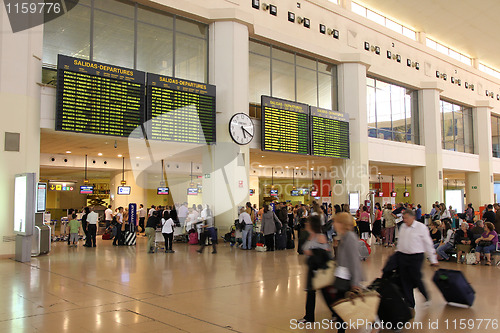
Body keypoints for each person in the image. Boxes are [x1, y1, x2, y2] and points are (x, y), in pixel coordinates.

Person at [396, 209, 438, 311]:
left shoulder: (421, 227)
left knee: (416, 277)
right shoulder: (402, 227)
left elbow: (428, 243)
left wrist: (433, 259)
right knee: (405, 279)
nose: (404, 220)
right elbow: (400, 242)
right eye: (403, 218)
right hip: (403, 256)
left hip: (416, 256)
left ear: (413, 217)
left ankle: (425, 294)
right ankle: (410, 303)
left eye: (406, 218)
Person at [297, 215, 334, 324]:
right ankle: (309, 317)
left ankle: (334, 313)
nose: (306, 224)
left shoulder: (320, 237)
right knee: (313, 293)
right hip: (313, 269)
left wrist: (312, 253)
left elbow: (326, 253)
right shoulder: (311, 236)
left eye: (308, 222)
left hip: (318, 270)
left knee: (322, 293)